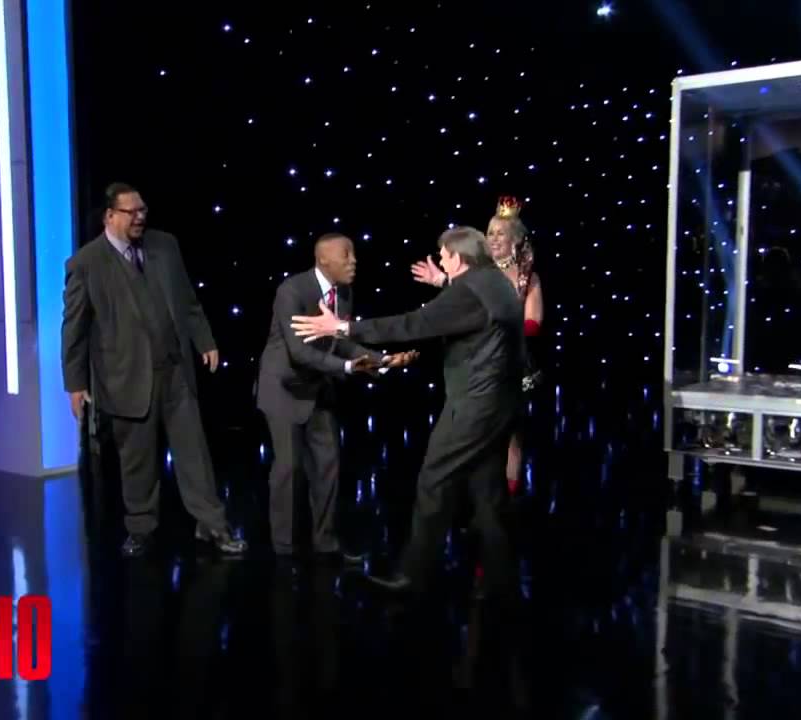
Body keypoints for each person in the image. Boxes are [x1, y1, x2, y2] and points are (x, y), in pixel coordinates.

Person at [291, 227, 524, 596]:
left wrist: (344, 327)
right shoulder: (495, 281)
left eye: (444, 256)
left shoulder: (468, 291)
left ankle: (412, 577)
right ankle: (501, 583)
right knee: (488, 494)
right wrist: (445, 283)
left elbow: (413, 324)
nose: (441, 262)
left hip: (473, 406)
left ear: (458, 257)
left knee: (434, 482)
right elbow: (474, 309)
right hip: (501, 403)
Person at [62, 182, 246, 558]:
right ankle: (141, 528)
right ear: (109, 216)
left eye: (143, 210)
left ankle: (213, 525)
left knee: (194, 454)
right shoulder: (86, 263)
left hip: (175, 372)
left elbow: (187, 299)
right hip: (125, 378)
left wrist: (205, 340)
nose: (140, 217)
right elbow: (74, 329)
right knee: (138, 461)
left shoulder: (165, 245)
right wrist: (75, 384)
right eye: (131, 212)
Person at [256, 233, 418, 561]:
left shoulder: (343, 292)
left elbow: (341, 341)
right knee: (289, 468)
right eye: (346, 254)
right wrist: (345, 367)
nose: (354, 261)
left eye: (354, 254)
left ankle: (326, 543)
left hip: (319, 387)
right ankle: (285, 549)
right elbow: (299, 351)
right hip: (285, 389)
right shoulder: (292, 290)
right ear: (323, 260)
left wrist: (382, 360)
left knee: (328, 465)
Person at [411, 196, 543, 494]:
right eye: (490, 233)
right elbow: (464, 302)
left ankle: (503, 502)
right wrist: (442, 281)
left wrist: (499, 326)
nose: (493, 238)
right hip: (474, 366)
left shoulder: (527, 277)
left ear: (515, 239)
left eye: (500, 233)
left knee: (509, 437)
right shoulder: (478, 273)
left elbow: (533, 321)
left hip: (509, 365)